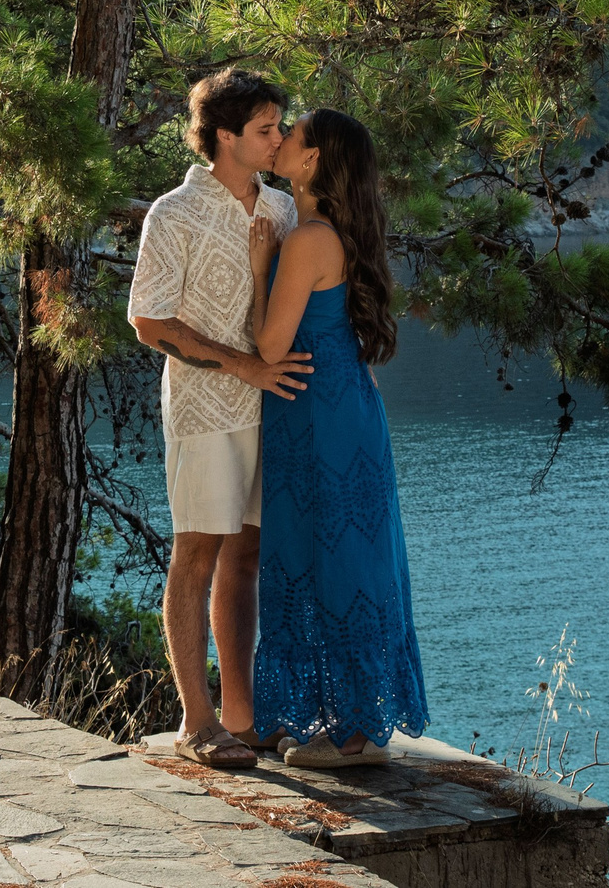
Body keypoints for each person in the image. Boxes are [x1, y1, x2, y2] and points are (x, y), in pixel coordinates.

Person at [128, 68, 313, 769]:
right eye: (265, 128)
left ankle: (243, 716)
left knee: (249, 555)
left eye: (279, 126)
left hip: (276, 411)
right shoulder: (172, 213)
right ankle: (196, 720)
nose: (278, 138)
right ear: (225, 136)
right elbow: (149, 321)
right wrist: (245, 368)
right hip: (205, 411)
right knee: (197, 553)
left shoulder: (283, 209)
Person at [245, 107, 428, 766]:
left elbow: (270, 343)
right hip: (337, 407)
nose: (282, 136)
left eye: (292, 133)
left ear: (315, 158)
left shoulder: (305, 238)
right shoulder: (328, 230)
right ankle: (353, 724)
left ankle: (353, 738)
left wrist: (261, 259)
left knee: (332, 559)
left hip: (318, 418)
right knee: (348, 556)